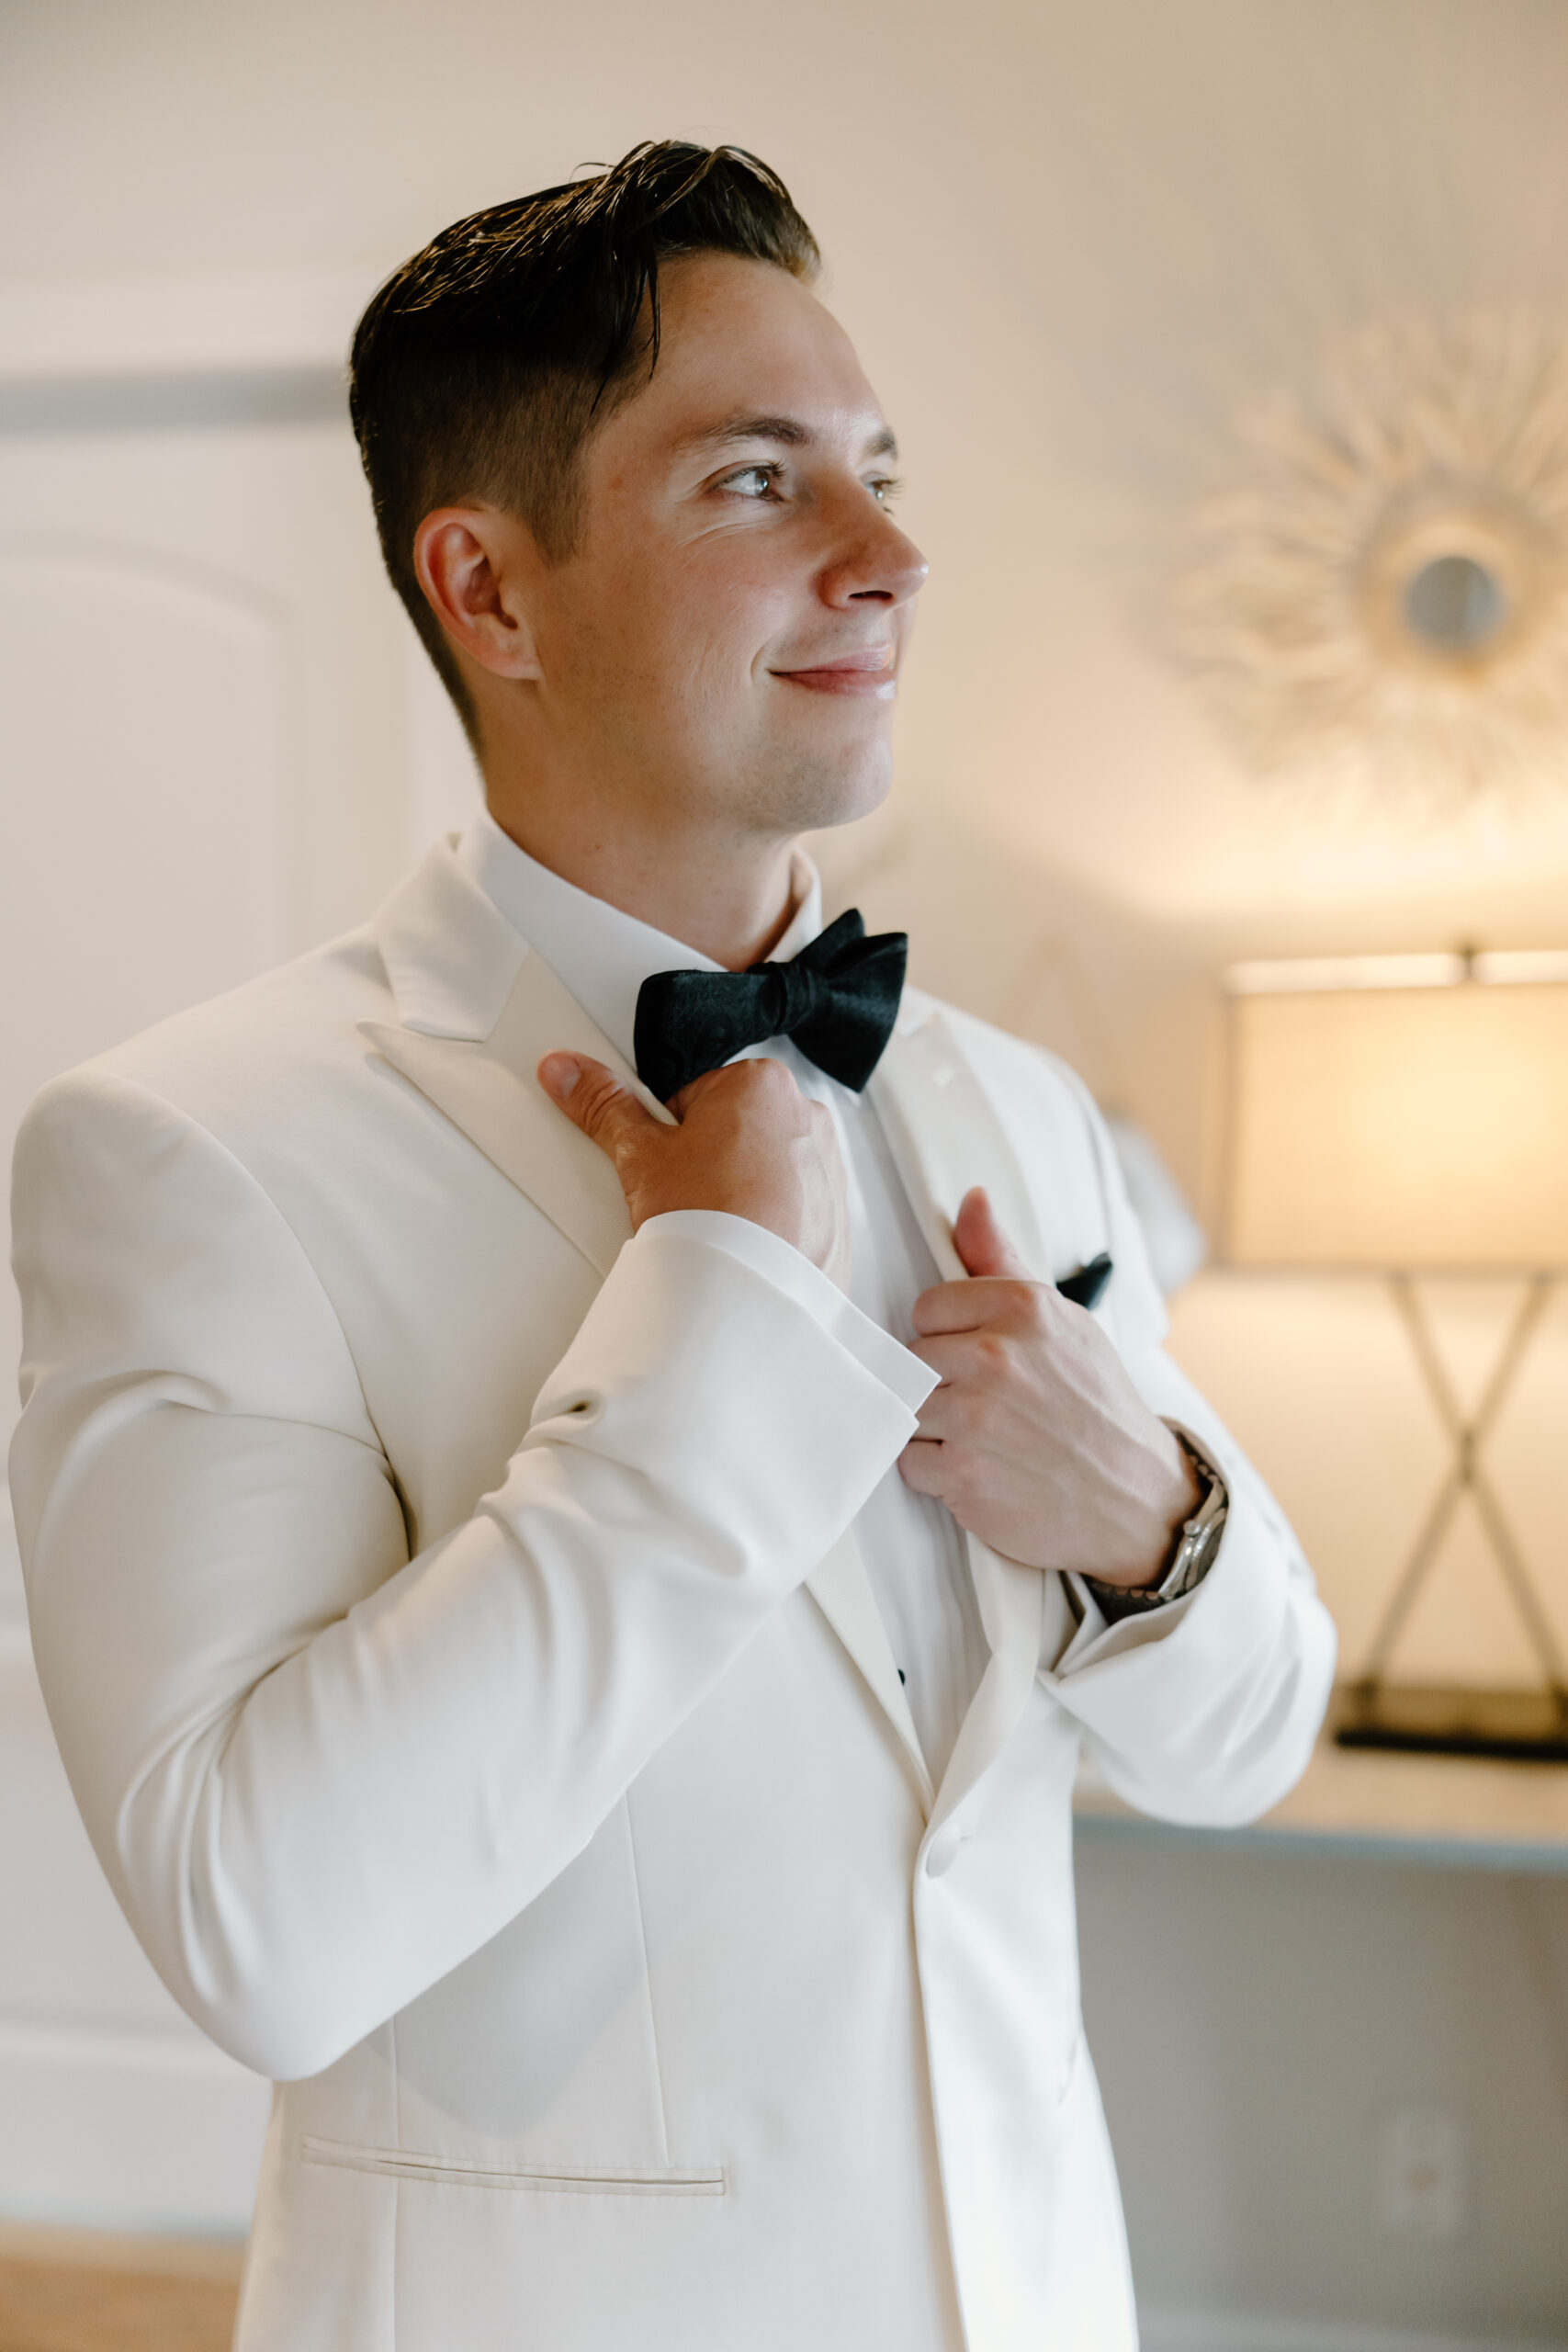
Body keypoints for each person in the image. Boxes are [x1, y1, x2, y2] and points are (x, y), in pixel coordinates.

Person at [8, 142, 1335, 2352]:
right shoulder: (188, 1151)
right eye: (755, 481)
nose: (891, 555)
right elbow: (260, 1928)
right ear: (491, 591)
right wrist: (714, 1324)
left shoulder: (1010, 1111)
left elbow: (1251, 1733)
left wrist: (1145, 1514)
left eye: (881, 471)